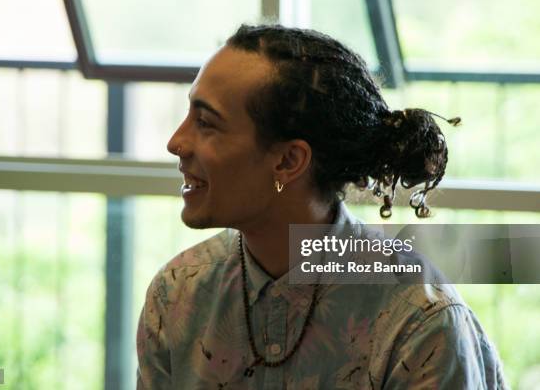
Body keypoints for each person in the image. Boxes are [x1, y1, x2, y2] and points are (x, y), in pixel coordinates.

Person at [136, 24, 507, 389]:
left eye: (205, 123)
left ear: (288, 161)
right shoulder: (178, 294)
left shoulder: (418, 324)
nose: (176, 142)